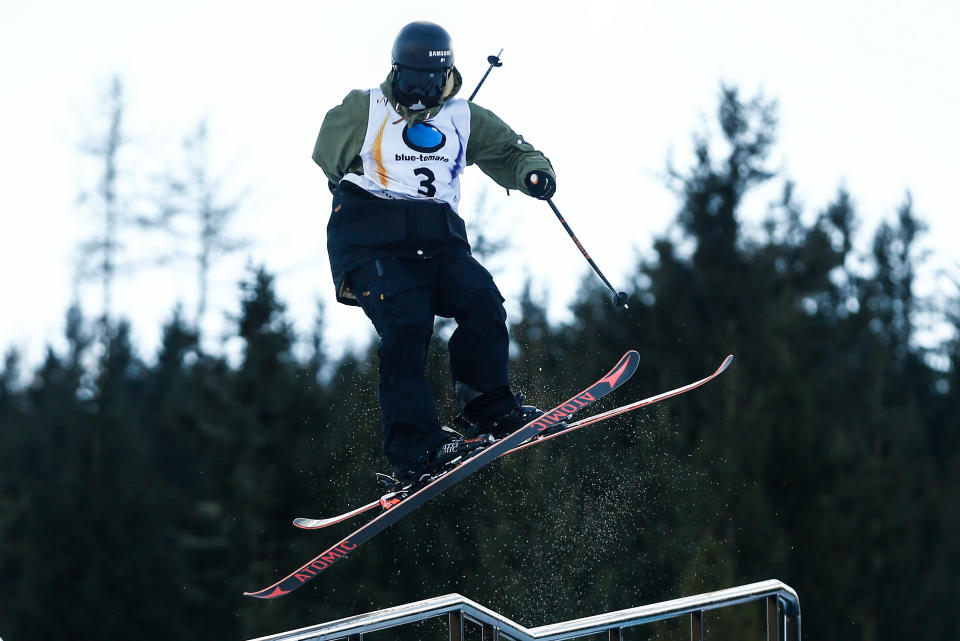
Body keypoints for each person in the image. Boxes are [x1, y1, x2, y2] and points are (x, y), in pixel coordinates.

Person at [313, 21, 558, 489]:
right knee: (406, 324)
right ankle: (415, 445)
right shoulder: (365, 108)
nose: (420, 93)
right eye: (409, 82)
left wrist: (532, 173)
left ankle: (489, 407)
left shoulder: (463, 117)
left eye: (429, 84)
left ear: (446, 76)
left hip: (438, 243)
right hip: (372, 245)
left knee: (481, 299)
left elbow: (511, 150)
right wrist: (353, 181)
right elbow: (326, 154)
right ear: (394, 73)